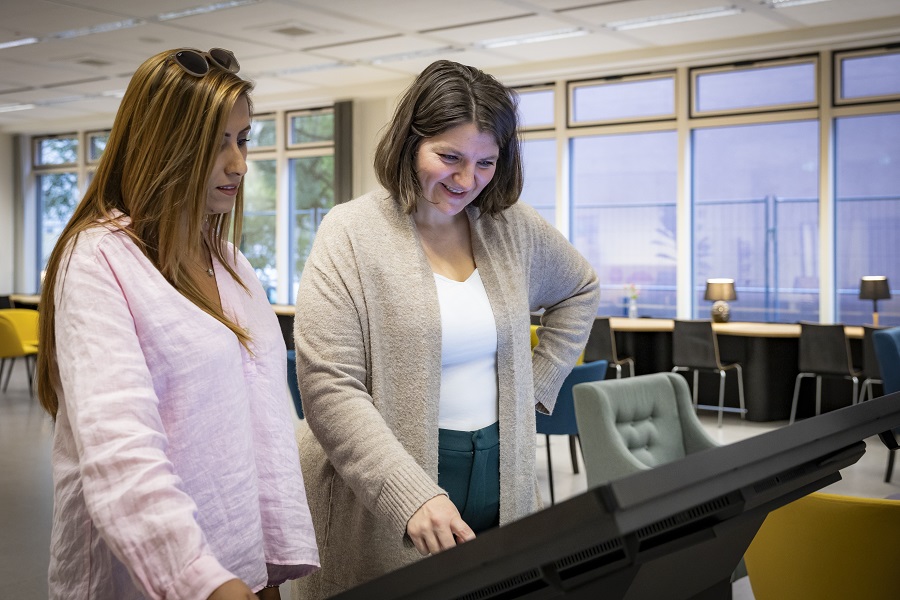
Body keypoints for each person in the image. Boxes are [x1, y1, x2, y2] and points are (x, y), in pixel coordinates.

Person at [291, 59, 600, 598]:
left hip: (501, 471)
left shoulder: (510, 227)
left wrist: (535, 384)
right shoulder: (350, 233)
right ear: (410, 143)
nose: (466, 180)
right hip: (389, 479)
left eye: (485, 162)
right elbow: (329, 387)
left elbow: (580, 289)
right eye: (449, 157)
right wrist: (408, 494)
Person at [36, 48, 319, 600]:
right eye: (218, 144)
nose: (238, 163)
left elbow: (263, 420)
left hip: (241, 564)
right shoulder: (98, 259)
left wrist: (267, 561)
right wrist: (204, 581)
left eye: (244, 140)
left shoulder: (231, 264)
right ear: (164, 146)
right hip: (153, 579)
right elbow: (121, 453)